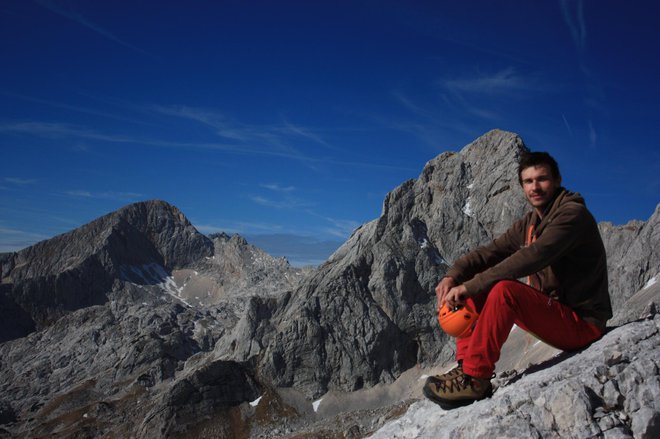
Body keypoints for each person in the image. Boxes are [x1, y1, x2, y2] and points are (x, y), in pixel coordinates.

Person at [423, 151, 612, 409]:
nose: (535, 187)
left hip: (583, 323)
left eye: (542, 179)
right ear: (522, 185)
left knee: (503, 290)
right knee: (478, 287)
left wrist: (470, 286)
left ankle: (476, 378)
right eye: (528, 181)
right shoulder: (530, 223)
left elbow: (532, 257)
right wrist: (452, 276)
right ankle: (466, 368)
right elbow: (489, 252)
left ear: (557, 180)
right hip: (555, 313)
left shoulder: (572, 215)